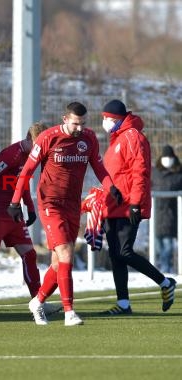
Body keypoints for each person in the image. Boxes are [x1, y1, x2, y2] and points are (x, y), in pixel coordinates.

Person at [8, 102, 123, 326]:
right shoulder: (48, 138)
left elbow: (99, 167)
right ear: (64, 119)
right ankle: (70, 313)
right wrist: (15, 202)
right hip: (50, 203)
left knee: (57, 263)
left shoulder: (88, 139)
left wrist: (111, 187)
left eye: (83, 123)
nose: (79, 128)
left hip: (72, 205)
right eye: (75, 124)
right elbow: (27, 172)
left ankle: (37, 301)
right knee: (66, 254)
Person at [0, 122, 63, 317]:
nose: (43, 149)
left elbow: (21, 182)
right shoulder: (11, 154)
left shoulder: (31, 156)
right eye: (40, 144)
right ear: (29, 139)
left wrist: (29, 207)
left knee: (30, 254)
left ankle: (38, 300)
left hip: (13, 213)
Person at [99, 100, 177, 315]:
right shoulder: (117, 139)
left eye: (108, 118)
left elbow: (139, 173)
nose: (104, 122)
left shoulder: (133, 137)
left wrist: (135, 203)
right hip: (112, 206)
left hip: (126, 205)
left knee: (124, 251)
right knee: (116, 255)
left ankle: (164, 282)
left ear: (118, 118)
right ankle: (123, 304)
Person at [152, 145, 182, 274]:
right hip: (156, 212)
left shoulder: (179, 173)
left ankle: (166, 268)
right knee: (158, 244)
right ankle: (162, 266)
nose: (167, 159)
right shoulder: (155, 172)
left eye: (170, 157)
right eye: (166, 157)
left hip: (172, 213)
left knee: (169, 243)